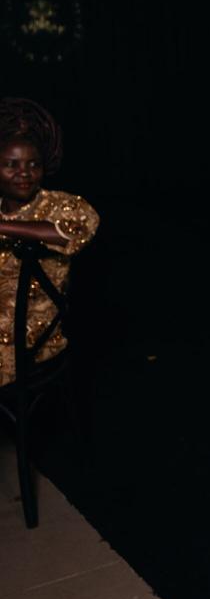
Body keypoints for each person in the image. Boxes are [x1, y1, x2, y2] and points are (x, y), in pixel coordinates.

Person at [0, 100, 98, 386]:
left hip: (29, 336)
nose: (24, 172)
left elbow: (71, 232)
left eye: (34, 164)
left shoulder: (62, 205)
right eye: (11, 165)